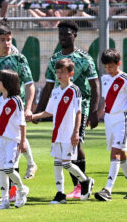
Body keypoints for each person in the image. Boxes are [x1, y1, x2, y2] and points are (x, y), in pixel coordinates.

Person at [38, 19, 101, 199]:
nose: (63, 37)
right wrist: (38, 112)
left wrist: (95, 111)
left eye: (66, 34)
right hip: (60, 109)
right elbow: (49, 87)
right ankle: (77, 185)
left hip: (81, 105)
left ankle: (80, 185)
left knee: (76, 142)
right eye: (60, 34)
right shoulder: (55, 59)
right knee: (62, 151)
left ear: (74, 35)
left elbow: (95, 85)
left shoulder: (84, 58)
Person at [30, 58, 92, 205]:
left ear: (71, 73)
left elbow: (78, 112)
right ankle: (60, 194)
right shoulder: (56, 91)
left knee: (66, 163)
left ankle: (85, 180)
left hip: (69, 134)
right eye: (58, 72)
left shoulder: (74, 90)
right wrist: (32, 116)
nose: (59, 75)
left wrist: (76, 132)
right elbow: (48, 112)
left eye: (63, 72)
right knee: (57, 163)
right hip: (57, 133)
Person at [0, 24, 39, 181]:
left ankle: (16, 188)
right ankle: (7, 191)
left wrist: (28, 108)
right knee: (3, 150)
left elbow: (30, 84)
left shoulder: (18, 59)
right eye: (3, 40)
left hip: (15, 111)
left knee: (12, 149)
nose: (7, 43)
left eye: (9, 39)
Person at [93, 50, 127, 202]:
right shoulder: (104, 79)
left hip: (122, 119)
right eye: (106, 67)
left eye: (111, 67)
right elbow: (105, 101)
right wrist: (97, 116)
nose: (109, 70)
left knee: (115, 153)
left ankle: (107, 189)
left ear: (118, 64)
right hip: (109, 120)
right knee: (121, 155)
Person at [0, 70, 29, 210]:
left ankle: (21, 189)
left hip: (13, 139)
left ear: (7, 82)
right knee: (1, 169)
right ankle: (4, 200)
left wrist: (23, 141)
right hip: (1, 139)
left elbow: (22, 122)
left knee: (9, 168)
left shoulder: (16, 101)